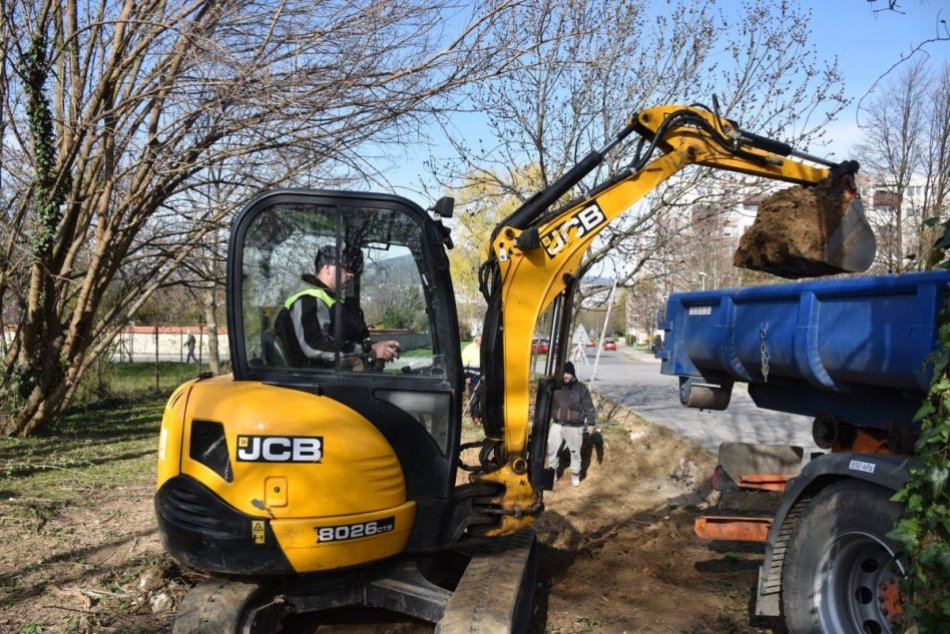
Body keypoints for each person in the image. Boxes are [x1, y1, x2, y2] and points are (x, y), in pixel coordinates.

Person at [277, 244, 399, 368]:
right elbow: (314, 345)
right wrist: (368, 350)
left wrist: (375, 347)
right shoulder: (308, 299)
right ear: (327, 267)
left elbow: (341, 340)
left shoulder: (329, 298)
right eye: (346, 268)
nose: (351, 274)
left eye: (353, 270)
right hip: (313, 379)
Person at [547, 361, 596, 487]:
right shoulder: (556, 387)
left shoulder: (581, 388)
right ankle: (552, 473)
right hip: (557, 424)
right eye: (564, 373)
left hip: (574, 426)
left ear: (573, 374)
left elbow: (589, 407)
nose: (566, 376)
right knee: (552, 449)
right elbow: (548, 405)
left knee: (575, 452)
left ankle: (575, 475)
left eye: (568, 373)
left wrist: (591, 423)